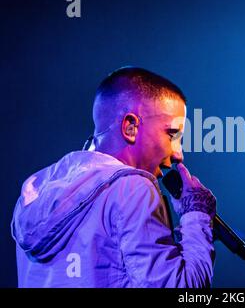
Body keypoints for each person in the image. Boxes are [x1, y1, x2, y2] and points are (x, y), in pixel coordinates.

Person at [11, 67, 217, 288]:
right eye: (172, 135)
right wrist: (197, 216)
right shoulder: (132, 189)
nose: (178, 154)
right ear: (130, 127)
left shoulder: (36, 190)